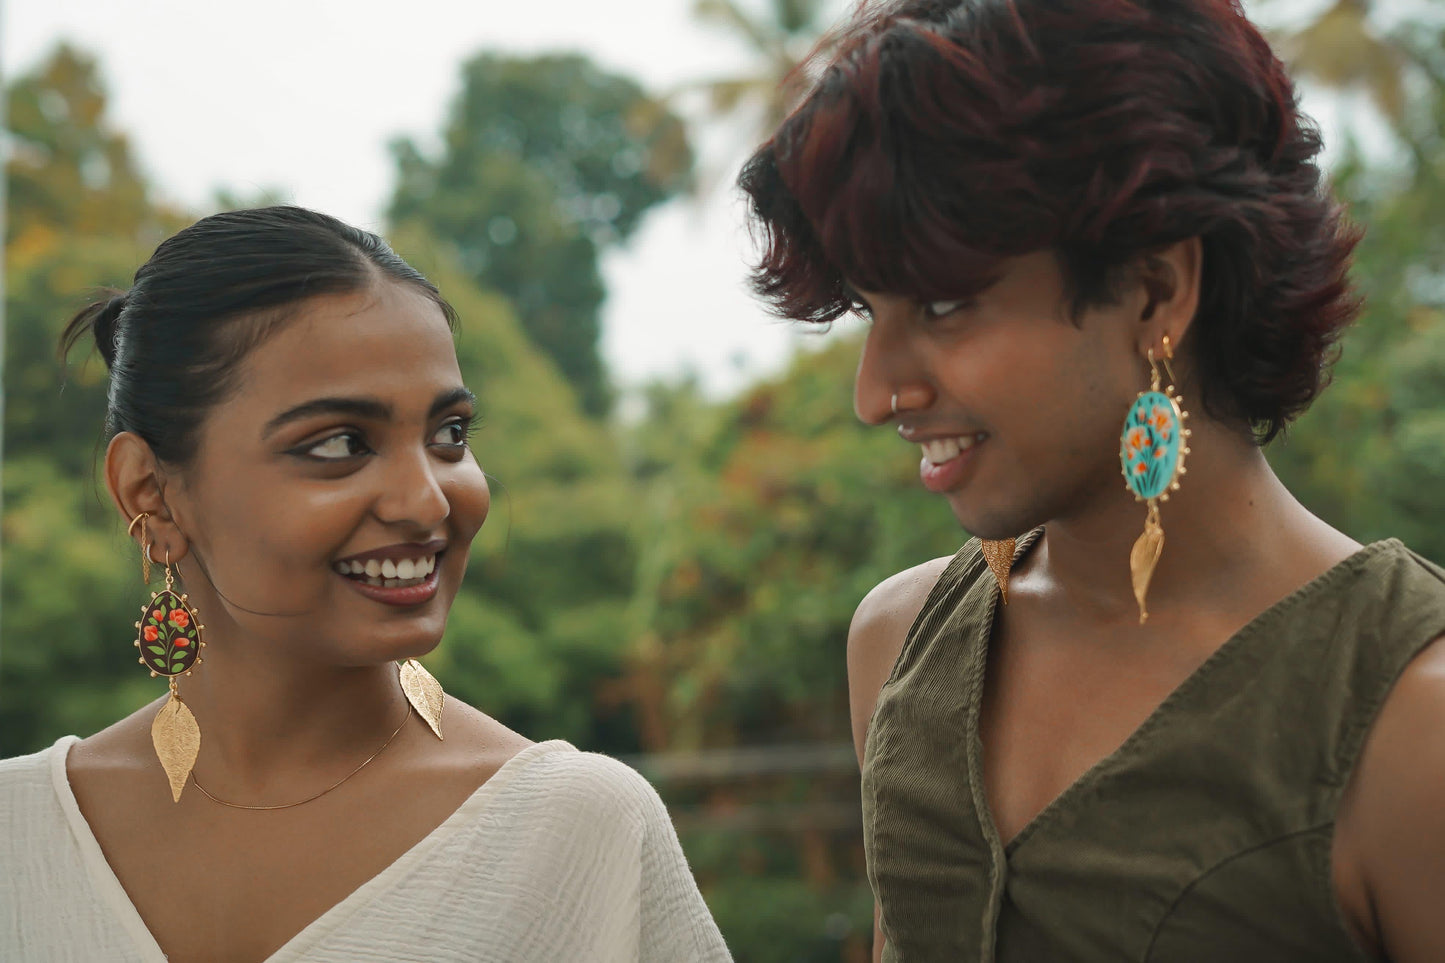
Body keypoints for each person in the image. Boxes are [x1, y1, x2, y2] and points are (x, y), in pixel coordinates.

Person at [738, 0, 1445, 960]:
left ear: (1155, 290)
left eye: (943, 304)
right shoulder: (900, 648)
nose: (874, 393)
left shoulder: (1409, 722)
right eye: (870, 309)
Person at [0, 206, 731, 963]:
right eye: (341, 443)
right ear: (150, 492)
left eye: (449, 434)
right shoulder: (16, 837)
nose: (427, 502)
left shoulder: (575, 835)